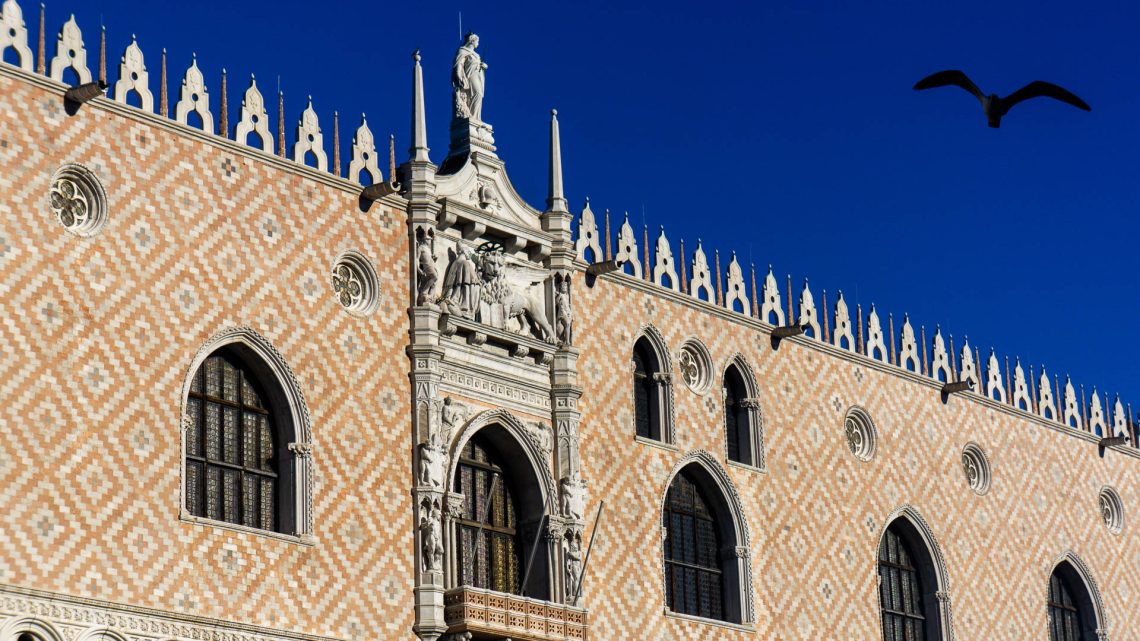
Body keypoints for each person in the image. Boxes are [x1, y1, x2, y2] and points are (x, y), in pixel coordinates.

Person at [452, 32, 487, 121]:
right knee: (477, 94)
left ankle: (476, 118)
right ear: (472, 40)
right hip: (470, 76)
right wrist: (458, 75)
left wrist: (483, 66)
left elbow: (478, 65)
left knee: (479, 95)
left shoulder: (477, 55)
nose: (478, 43)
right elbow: (459, 64)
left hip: (478, 76)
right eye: (477, 41)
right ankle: (473, 117)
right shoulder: (462, 51)